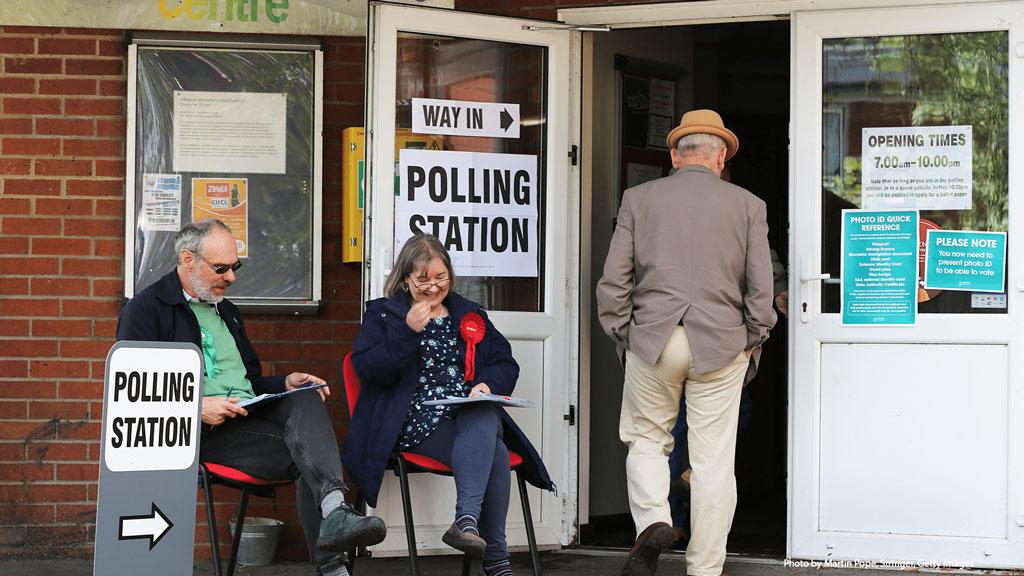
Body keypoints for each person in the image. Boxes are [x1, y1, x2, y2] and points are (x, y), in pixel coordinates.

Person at [116, 219, 386, 576]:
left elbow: (250, 382)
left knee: (305, 397)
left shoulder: (224, 309)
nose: (231, 278)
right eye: (221, 268)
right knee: (308, 461)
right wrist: (195, 407)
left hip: (249, 417)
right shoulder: (147, 310)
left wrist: (285, 383)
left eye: (235, 267)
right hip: (200, 435)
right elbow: (132, 395)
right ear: (187, 260)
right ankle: (333, 568)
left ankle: (336, 509)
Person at [597, 109, 776, 576]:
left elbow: (613, 283)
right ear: (720, 158)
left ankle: (654, 521)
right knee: (714, 459)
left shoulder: (638, 198)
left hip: (655, 339)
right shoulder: (749, 205)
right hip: (720, 343)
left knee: (647, 441)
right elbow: (760, 289)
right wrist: (753, 338)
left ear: (675, 155)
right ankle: (705, 566)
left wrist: (626, 334)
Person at [344, 233, 554, 576]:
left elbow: (504, 362)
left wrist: (486, 384)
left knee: (485, 410)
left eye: (440, 278)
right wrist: (407, 332)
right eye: (422, 279)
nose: (432, 287)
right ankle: (495, 558)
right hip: (412, 419)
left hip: (464, 414)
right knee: (497, 453)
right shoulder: (384, 315)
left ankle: (466, 522)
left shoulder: (468, 313)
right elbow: (369, 368)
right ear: (404, 277)